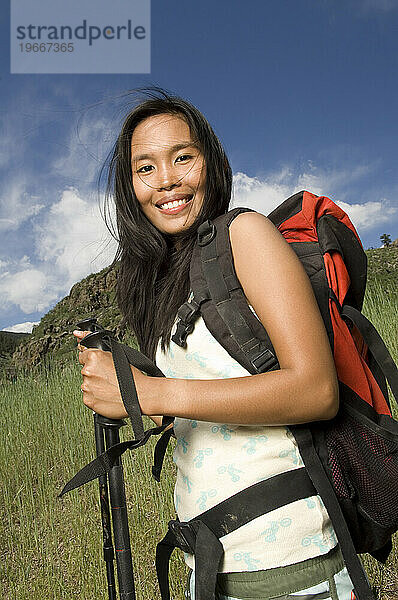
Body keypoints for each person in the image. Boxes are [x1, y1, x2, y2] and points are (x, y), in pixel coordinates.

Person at [74, 90, 357, 600]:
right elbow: (195, 400)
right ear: (129, 184)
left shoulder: (245, 234)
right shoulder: (163, 283)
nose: (166, 180)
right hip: (207, 567)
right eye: (145, 167)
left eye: (183, 157)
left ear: (211, 161)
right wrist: (128, 385)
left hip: (291, 570)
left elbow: (316, 390)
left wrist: (153, 395)